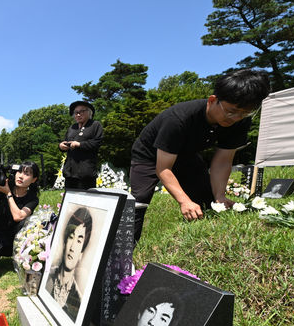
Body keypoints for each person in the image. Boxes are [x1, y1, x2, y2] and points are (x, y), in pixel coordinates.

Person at [130, 69, 270, 242]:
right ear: (213, 100)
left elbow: (223, 160)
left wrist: (219, 196)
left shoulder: (240, 120)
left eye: (244, 113)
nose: (235, 118)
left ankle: (201, 242)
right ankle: (124, 254)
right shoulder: (178, 119)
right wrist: (183, 201)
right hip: (149, 155)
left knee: (208, 200)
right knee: (138, 202)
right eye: (231, 111)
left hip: (187, 154)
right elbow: (163, 168)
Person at [44, 207, 92, 321]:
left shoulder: (77, 299)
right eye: (71, 237)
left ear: (82, 252)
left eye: (79, 241)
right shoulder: (47, 281)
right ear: (65, 242)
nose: (72, 248)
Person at [58, 101, 104, 190]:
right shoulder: (72, 127)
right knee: (70, 199)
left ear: (89, 112)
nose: (78, 115)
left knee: (85, 200)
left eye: (81, 111)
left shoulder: (95, 125)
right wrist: (61, 146)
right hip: (70, 171)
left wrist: (79, 144)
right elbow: (65, 141)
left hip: (86, 171)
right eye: (76, 112)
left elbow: (97, 143)